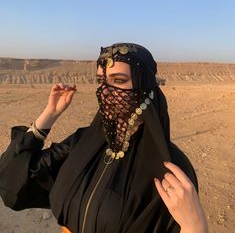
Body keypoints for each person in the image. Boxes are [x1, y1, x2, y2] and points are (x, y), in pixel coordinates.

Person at [0, 43, 208, 233]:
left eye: (119, 80)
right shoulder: (81, 142)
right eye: (101, 81)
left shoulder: (171, 168)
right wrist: (50, 114)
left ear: (145, 88)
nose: (105, 91)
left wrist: (195, 227)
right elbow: (12, 179)